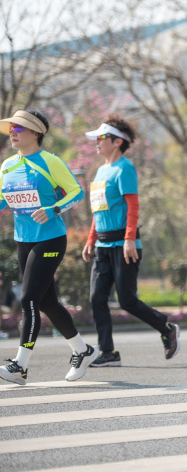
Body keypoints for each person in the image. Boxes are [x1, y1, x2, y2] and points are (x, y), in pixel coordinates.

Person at [0, 109, 98, 385]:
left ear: (35, 133)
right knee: (46, 302)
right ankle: (83, 350)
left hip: (50, 239)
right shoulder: (7, 165)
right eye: (11, 129)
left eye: (19, 129)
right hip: (24, 240)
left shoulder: (50, 162)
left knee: (28, 298)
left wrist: (53, 208)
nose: (13, 133)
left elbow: (76, 192)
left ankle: (20, 366)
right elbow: (3, 200)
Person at [82, 119, 180, 367]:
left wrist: (129, 239)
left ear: (117, 142)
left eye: (102, 138)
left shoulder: (125, 168)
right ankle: (108, 351)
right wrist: (91, 239)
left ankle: (166, 328)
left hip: (124, 246)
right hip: (102, 246)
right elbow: (99, 209)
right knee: (96, 298)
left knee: (127, 301)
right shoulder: (101, 171)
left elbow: (133, 206)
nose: (97, 143)